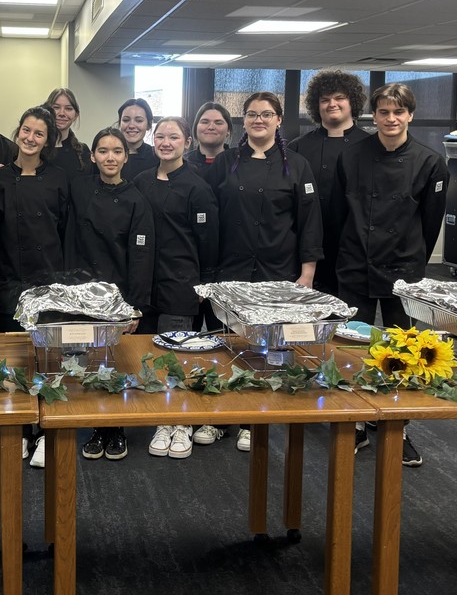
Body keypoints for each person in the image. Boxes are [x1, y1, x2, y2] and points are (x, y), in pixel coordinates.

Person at [333, 82, 449, 468]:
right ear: (374, 116)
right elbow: (338, 214)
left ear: (410, 115)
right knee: (353, 346)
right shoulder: (352, 156)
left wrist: (414, 265)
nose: (391, 119)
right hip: (355, 263)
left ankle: (398, 428)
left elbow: (430, 224)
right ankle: (356, 426)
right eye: (384, 112)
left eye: (398, 112)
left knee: (407, 351)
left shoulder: (430, 162)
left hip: (404, 269)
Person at [205, 91, 323, 452]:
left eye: (266, 114)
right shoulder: (226, 162)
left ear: (278, 120)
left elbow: (309, 221)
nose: (259, 120)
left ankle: (251, 420)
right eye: (253, 114)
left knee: (264, 348)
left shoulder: (297, 165)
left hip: (277, 270)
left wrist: (307, 273)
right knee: (226, 344)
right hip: (231, 269)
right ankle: (219, 413)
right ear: (243, 121)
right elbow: (211, 219)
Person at [67, 127, 155, 461]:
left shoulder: (136, 199)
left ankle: (116, 428)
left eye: (117, 151)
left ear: (125, 156)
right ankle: (94, 425)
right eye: (102, 151)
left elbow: (142, 256)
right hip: (84, 292)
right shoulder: (80, 188)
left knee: (117, 364)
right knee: (90, 362)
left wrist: (133, 307)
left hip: (120, 295)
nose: (110, 157)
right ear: (93, 156)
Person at [134, 117, 219, 459]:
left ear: (187, 142)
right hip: (144, 283)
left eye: (174, 136)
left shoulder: (197, 187)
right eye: (161, 136)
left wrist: (205, 285)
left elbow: (208, 243)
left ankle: (180, 421)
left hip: (181, 283)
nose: (165, 142)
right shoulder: (139, 181)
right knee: (148, 356)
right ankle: (159, 417)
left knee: (177, 357)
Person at [0, 105, 69, 468]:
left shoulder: (58, 178)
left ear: (48, 140)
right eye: (26, 130)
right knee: (18, 357)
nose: (30, 138)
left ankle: (46, 430)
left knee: (47, 356)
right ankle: (21, 426)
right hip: (9, 277)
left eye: (39, 133)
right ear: (17, 131)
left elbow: (67, 229)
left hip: (49, 276)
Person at [288, 71, 370, 297]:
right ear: (316, 106)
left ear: (352, 101)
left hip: (353, 252)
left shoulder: (370, 147)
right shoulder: (298, 148)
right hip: (304, 252)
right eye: (325, 99)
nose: (332, 104)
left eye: (339, 97)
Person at [185, 102, 233, 339]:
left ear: (229, 130)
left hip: (227, 263)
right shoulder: (181, 165)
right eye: (204, 121)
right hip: (189, 264)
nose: (210, 126)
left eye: (218, 122)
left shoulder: (239, 165)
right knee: (188, 338)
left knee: (223, 337)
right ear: (195, 129)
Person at [44, 88, 92, 177]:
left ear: (76, 115)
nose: (62, 113)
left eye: (68, 108)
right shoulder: (37, 149)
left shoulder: (83, 152)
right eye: (56, 107)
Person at [118, 98, 158, 181]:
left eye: (139, 120)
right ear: (119, 124)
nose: (131, 125)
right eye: (126, 120)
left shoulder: (157, 157)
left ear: (148, 125)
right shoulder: (109, 156)